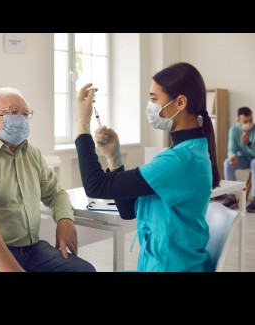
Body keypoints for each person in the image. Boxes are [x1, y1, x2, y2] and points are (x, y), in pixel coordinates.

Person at [75, 62, 220, 272]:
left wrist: (82, 124)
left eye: (154, 99)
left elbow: (96, 186)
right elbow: (128, 210)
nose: (150, 106)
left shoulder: (180, 160)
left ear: (180, 102)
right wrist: (113, 157)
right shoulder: (187, 152)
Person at [0, 87, 96, 272]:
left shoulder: (31, 154)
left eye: (25, 113)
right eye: (13, 112)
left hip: (28, 248)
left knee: (83, 270)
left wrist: (65, 220)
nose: (21, 118)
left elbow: (56, 193)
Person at [223, 106, 255, 212]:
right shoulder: (234, 130)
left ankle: (254, 199)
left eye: (250, 120)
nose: (248, 123)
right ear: (239, 121)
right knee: (227, 163)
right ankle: (232, 196)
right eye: (245, 121)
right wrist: (233, 157)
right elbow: (231, 149)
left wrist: (249, 143)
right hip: (244, 159)